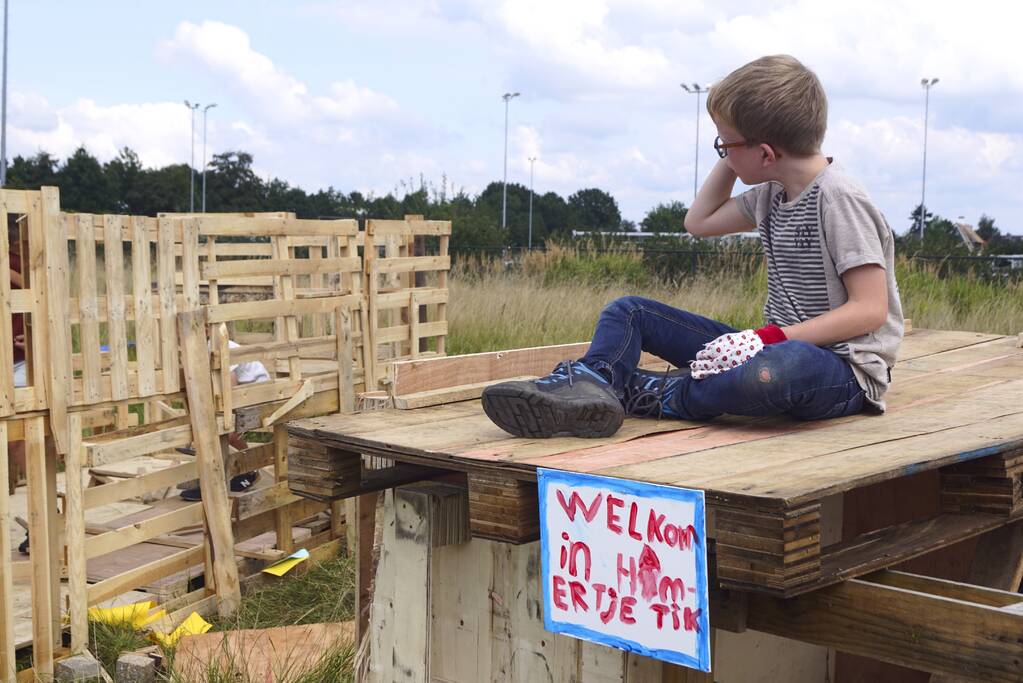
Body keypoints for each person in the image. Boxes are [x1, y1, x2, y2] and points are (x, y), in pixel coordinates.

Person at [482, 55, 903, 439]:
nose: (721, 153)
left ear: (767, 153)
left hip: (840, 369)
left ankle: (650, 393)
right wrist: (739, 148)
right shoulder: (769, 194)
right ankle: (595, 383)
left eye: (724, 144)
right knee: (630, 312)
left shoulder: (839, 198)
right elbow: (698, 222)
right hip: (765, 343)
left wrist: (768, 338)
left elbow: (869, 309)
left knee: (778, 370)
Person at [178, 341, 270, 500]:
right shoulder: (196, 346)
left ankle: (248, 471)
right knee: (219, 427)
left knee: (228, 430)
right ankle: (223, 476)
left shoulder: (219, 345)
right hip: (243, 390)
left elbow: (230, 384)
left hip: (257, 390)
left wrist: (222, 415)